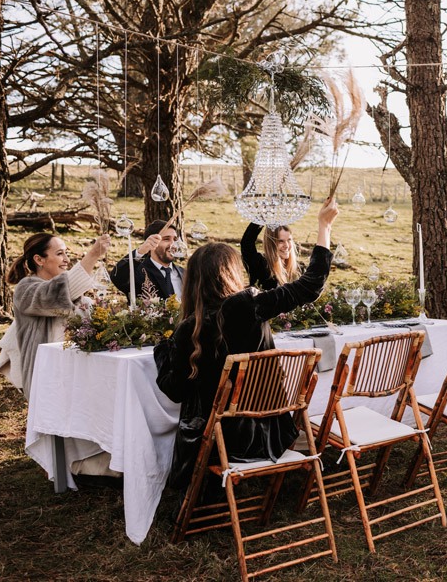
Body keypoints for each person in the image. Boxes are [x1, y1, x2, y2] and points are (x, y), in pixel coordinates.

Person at [156, 198, 338, 489]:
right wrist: (324, 226)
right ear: (230, 273)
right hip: (273, 431)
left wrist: (162, 350)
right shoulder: (249, 305)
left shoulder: (188, 330)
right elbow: (310, 285)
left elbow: (174, 391)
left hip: (222, 442)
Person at [0, 232, 111, 401]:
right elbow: (58, 293)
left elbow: (68, 293)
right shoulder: (26, 289)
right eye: (59, 254)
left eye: (66, 253)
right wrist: (93, 254)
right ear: (39, 260)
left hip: (75, 371)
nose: (66, 259)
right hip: (43, 374)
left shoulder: (75, 295)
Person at [110, 220, 184, 300]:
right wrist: (140, 252)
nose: (173, 245)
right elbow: (117, 277)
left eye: (175, 240)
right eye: (166, 239)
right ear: (152, 242)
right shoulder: (137, 272)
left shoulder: (185, 273)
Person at [240, 222, 303, 290]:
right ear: (270, 243)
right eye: (281, 241)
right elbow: (246, 243)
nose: (287, 245)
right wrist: (261, 219)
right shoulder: (261, 264)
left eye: (289, 240)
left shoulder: (299, 269)